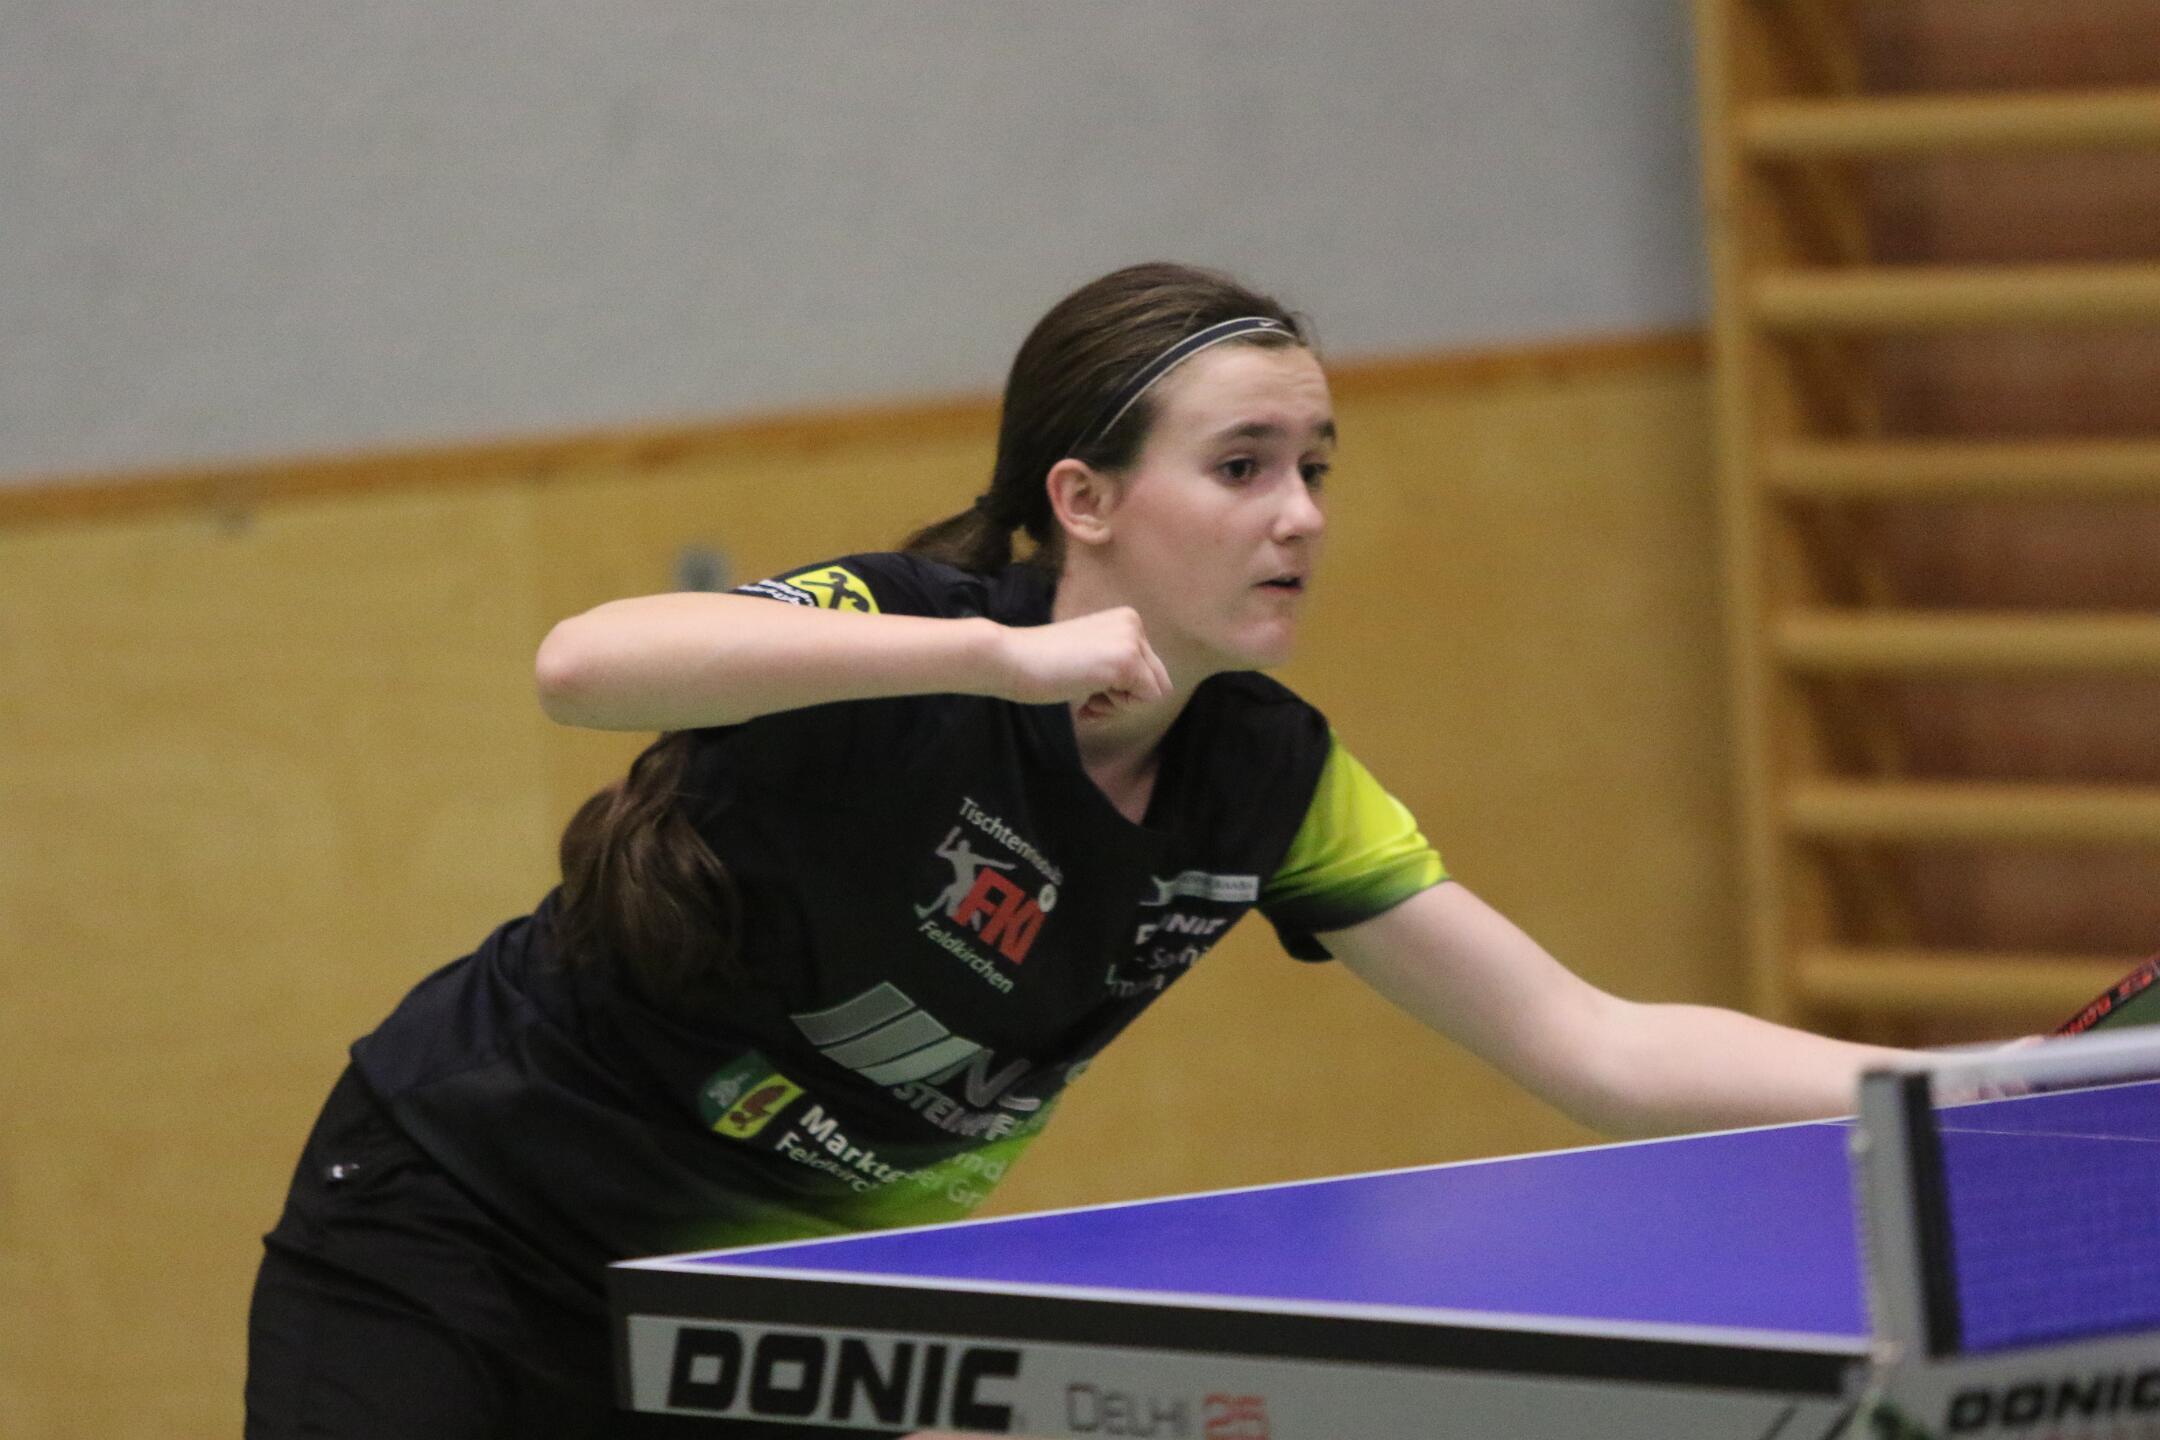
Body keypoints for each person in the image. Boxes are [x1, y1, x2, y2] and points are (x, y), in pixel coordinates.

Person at [245, 262, 1902, 1439]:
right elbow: (580, 666)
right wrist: (997, 659)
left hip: (750, 1314)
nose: (1302, 513)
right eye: (1242, 467)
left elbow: (1595, 1045)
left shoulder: (1273, 784)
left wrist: (1955, 1091)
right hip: (461, 1219)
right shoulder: (905, 636)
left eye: (1314, 469)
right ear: (1085, 499)